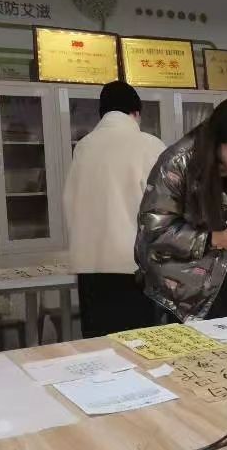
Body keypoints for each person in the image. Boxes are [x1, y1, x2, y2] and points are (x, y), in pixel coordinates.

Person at [136, 97, 227, 322]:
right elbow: (154, 232)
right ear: (216, 140)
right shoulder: (178, 162)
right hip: (182, 292)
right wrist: (214, 239)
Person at [63, 81, 165, 337]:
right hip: (135, 265)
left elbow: (71, 200)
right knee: (139, 345)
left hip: (90, 266)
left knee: (98, 344)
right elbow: (165, 207)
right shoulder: (149, 144)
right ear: (136, 113)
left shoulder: (84, 146)